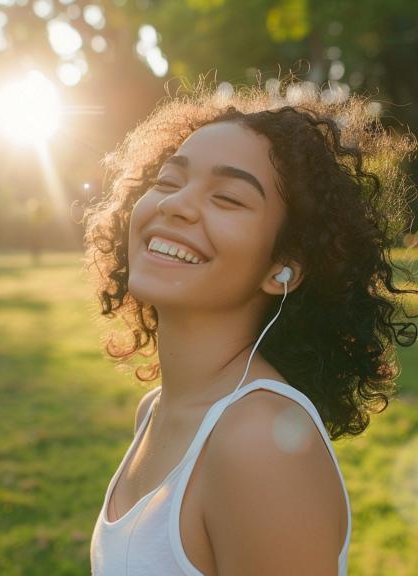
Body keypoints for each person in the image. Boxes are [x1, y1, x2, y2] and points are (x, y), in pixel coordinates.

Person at [82, 76, 418, 575]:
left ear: (282, 268)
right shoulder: (154, 411)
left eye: (228, 198)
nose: (175, 204)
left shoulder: (258, 444)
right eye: (168, 182)